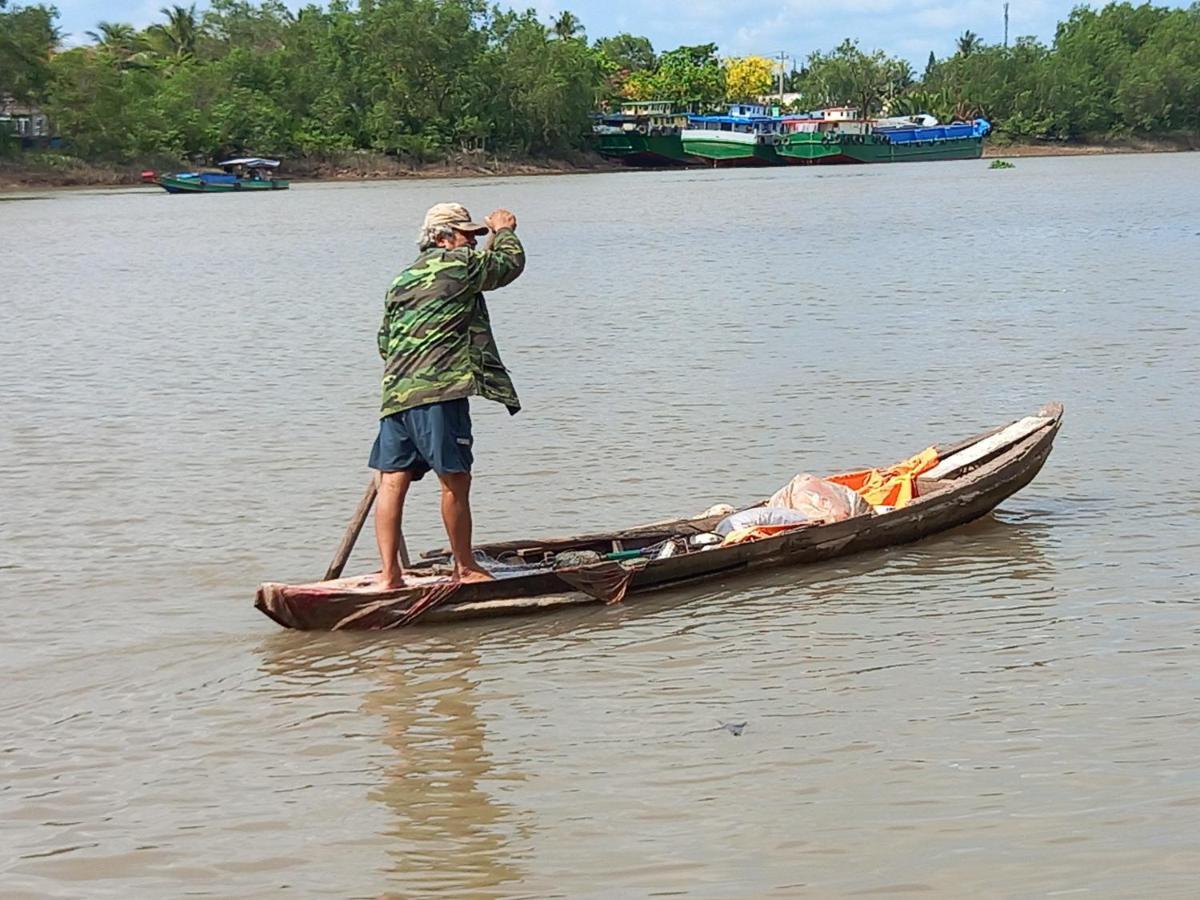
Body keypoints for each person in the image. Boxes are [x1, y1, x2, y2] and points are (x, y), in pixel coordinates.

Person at [370, 202, 524, 588]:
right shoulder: (458, 266)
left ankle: (390, 575)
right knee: (455, 478)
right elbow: (508, 265)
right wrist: (503, 230)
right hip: (439, 392)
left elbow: (384, 342)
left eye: (476, 236)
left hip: (397, 394)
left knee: (391, 481)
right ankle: (465, 566)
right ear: (441, 237)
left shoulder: (400, 280)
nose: (473, 242)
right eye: (466, 235)